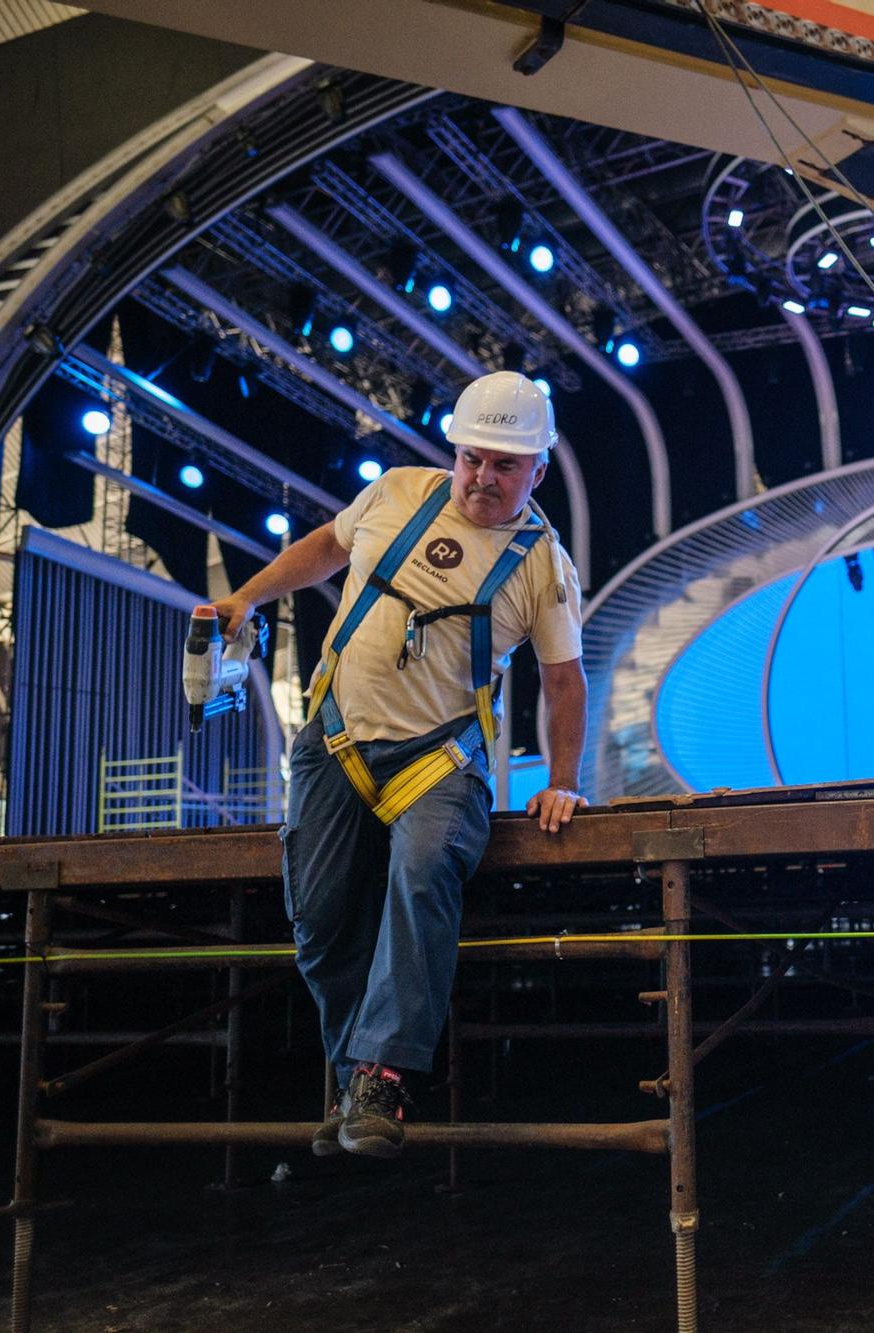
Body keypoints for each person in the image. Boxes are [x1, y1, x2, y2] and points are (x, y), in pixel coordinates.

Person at [211, 370, 588, 1159]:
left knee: (421, 873)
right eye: (472, 458)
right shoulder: (392, 494)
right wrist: (245, 595)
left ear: (538, 472)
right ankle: (356, 1079)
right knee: (316, 917)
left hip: (440, 759)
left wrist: (561, 780)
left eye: (504, 465)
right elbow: (326, 546)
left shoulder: (541, 567)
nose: (483, 478)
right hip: (336, 740)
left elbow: (563, 680)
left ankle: (379, 1077)